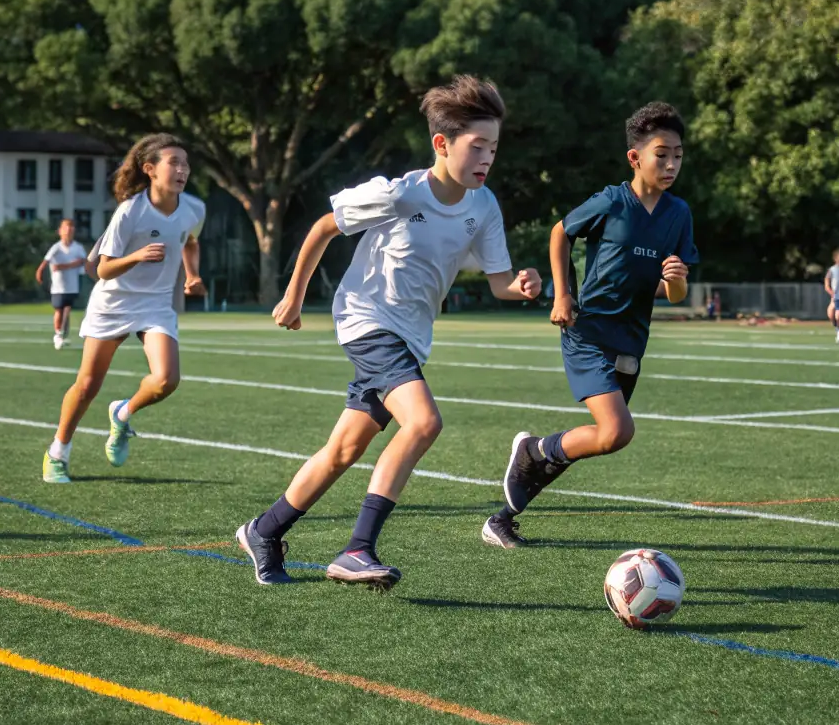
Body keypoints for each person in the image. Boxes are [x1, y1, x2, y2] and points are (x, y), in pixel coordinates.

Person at [236, 75, 542, 589]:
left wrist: (525, 284)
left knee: (343, 450)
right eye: (477, 146)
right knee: (423, 422)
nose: (488, 157)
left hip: (408, 337)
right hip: (366, 321)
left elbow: (499, 283)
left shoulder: (484, 206)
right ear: (442, 144)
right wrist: (292, 296)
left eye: (494, 146)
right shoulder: (399, 195)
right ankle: (358, 548)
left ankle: (264, 530)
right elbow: (321, 229)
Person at [483, 100, 698, 547]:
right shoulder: (612, 200)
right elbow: (560, 232)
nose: (672, 163)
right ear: (635, 157)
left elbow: (676, 292)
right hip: (588, 330)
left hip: (631, 340)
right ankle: (534, 450)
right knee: (617, 431)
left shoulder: (679, 214)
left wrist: (675, 282)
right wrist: (562, 294)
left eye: (678, 153)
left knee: (603, 438)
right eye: (662, 153)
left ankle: (503, 515)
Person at [41, 134, 206, 483]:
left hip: (157, 303)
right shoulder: (131, 211)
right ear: (150, 169)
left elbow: (190, 241)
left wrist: (192, 274)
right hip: (113, 303)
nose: (182, 170)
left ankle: (122, 413)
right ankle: (58, 451)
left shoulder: (195, 208)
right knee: (86, 386)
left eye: (185, 163)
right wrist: (137, 256)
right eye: (173, 162)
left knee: (166, 380)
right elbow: (102, 269)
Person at [35, 218, 86, 349]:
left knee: (67, 310)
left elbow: (83, 261)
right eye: (66, 228)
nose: (68, 230)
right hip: (58, 286)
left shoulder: (78, 248)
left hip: (72, 285)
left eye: (71, 228)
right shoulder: (56, 247)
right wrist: (40, 271)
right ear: (60, 231)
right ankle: (58, 334)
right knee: (59, 309)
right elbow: (46, 261)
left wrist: (64, 266)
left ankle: (62, 334)